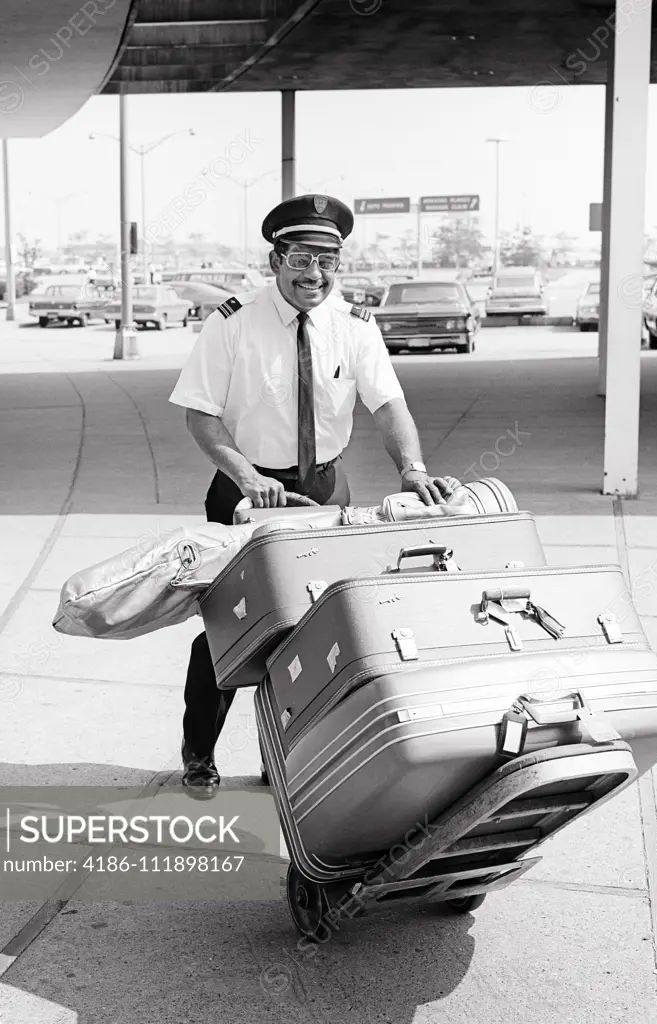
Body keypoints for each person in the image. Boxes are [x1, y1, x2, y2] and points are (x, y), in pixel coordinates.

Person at [168, 193, 455, 798]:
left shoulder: (354, 326)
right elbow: (200, 415)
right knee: (231, 629)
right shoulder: (231, 323)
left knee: (321, 628)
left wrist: (412, 467)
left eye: (328, 262)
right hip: (247, 492)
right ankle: (200, 752)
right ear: (276, 259)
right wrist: (248, 478)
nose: (315, 275)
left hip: (325, 488)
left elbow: (388, 405)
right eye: (302, 259)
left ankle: (289, 754)